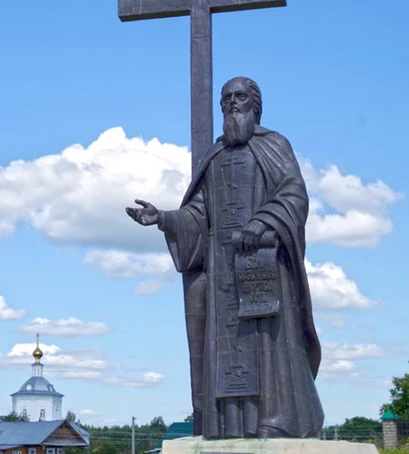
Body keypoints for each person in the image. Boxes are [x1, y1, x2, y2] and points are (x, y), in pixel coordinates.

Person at [126, 76, 324, 439]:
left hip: (263, 264)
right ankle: (228, 425)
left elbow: (294, 194)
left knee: (269, 344)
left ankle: (276, 421)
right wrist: (164, 218)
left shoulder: (274, 145)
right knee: (227, 349)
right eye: (227, 98)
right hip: (222, 275)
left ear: (255, 105)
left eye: (240, 96)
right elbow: (199, 213)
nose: (233, 103)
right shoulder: (215, 156)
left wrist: (264, 220)